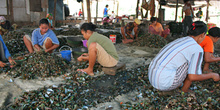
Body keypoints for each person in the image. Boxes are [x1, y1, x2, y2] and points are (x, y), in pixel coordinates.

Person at [148, 21, 219, 93]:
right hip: (163, 84)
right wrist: (212, 75)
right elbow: (193, 76)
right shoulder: (197, 49)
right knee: (191, 63)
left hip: (152, 77)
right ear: (202, 35)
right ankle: (184, 90)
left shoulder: (182, 39)